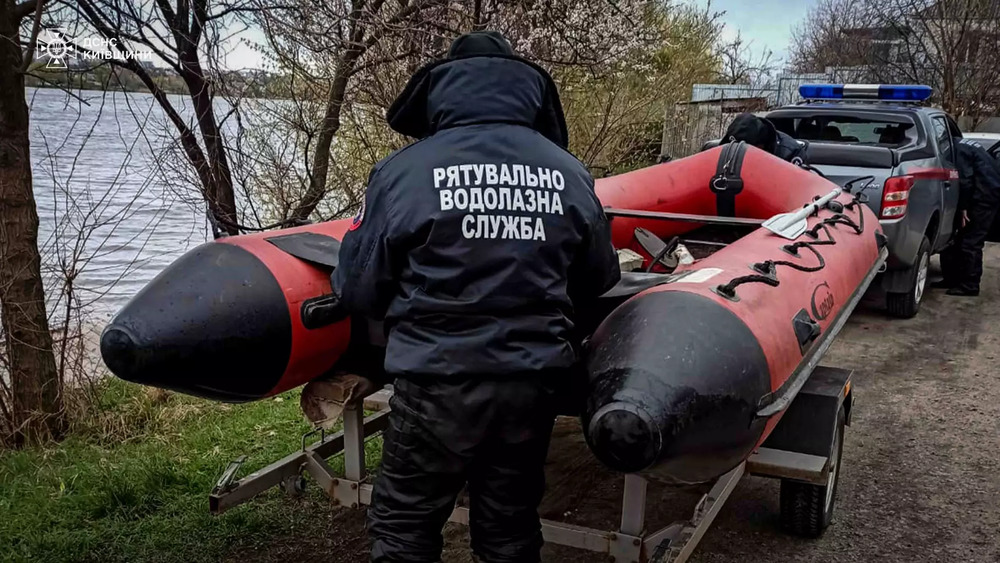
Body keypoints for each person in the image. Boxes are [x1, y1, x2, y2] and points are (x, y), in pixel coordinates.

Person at [331, 31, 621, 563]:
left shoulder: (403, 172)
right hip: (530, 384)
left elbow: (359, 288)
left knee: (404, 527)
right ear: (525, 92)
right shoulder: (569, 172)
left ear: (442, 91)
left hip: (436, 382)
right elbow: (598, 279)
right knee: (509, 527)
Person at [936, 136, 1000, 296]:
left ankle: (970, 285)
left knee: (970, 242)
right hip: (985, 193)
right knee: (956, 241)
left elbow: (965, 179)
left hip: (983, 199)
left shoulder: (957, 151)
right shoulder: (961, 144)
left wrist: (963, 207)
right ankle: (952, 279)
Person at [721, 112, 809, 165]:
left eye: (745, 151)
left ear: (761, 145)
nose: (741, 154)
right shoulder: (729, 142)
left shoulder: (790, 153)